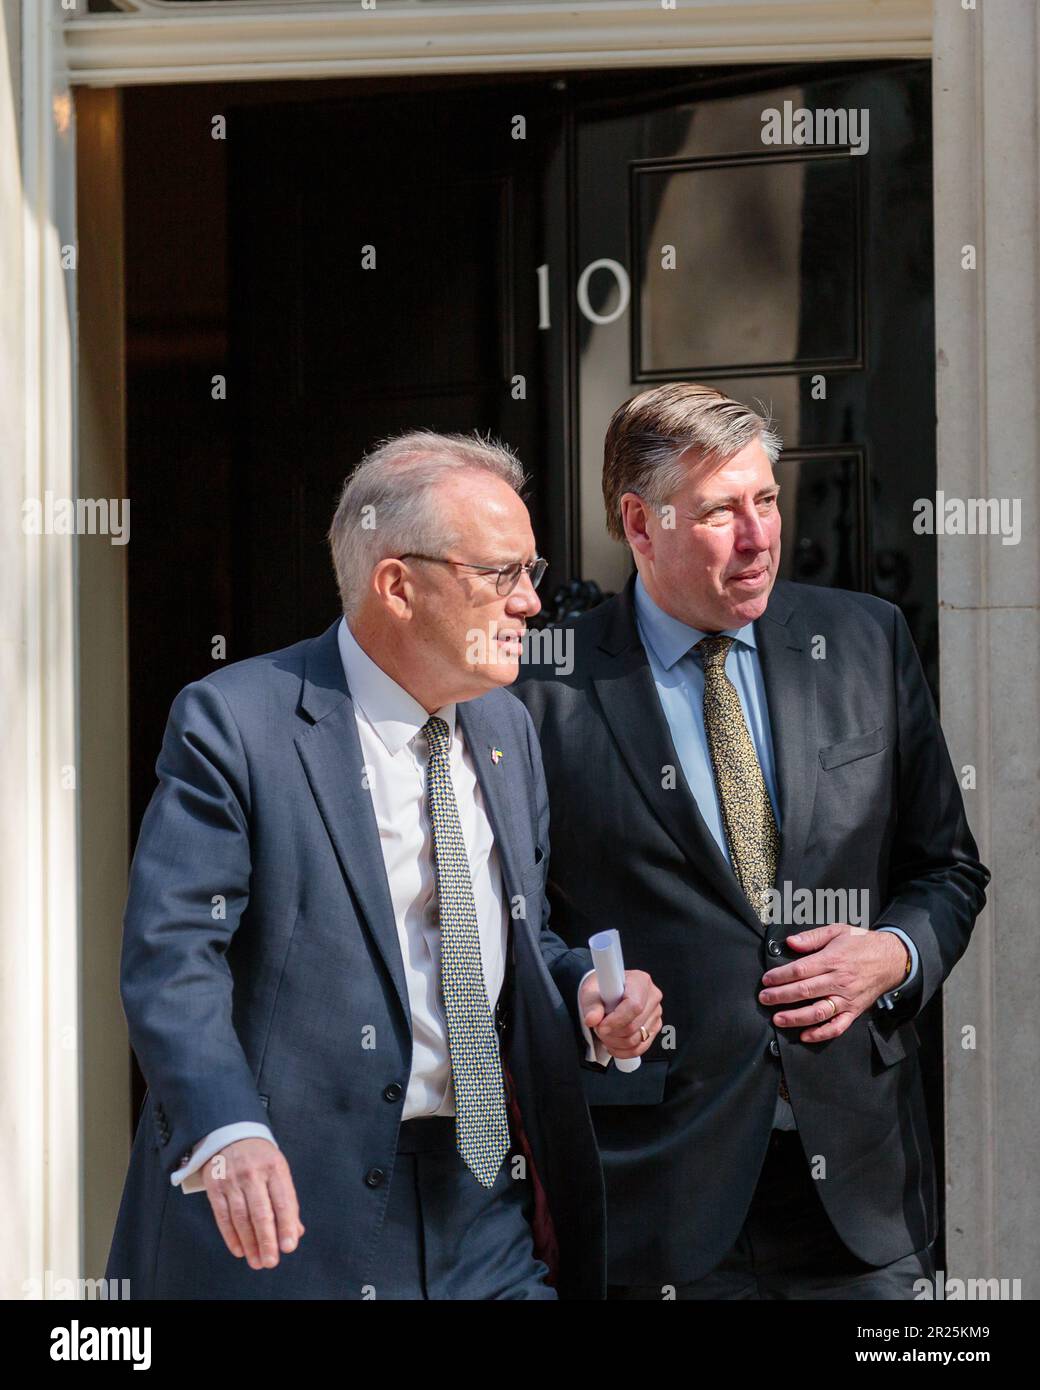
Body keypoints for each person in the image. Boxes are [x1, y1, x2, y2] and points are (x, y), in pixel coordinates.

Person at [105, 430, 661, 1300]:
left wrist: (584, 999)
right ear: (398, 585)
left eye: (532, 573)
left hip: (482, 1203)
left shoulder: (509, 729)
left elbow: (514, 940)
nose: (529, 604)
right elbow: (173, 957)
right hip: (298, 1210)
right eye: (499, 574)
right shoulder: (235, 725)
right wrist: (226, 1129)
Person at [514, 383, 990, 1300]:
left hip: (864, 1198)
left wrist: (893, 953)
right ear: (639, 525)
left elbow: (948, 870)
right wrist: (582, 990)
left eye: (766, 500)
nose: (759, 535)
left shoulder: (864, 640)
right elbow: (512, 924)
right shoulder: (544, 695)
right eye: (720, 511)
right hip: (659, 1199)